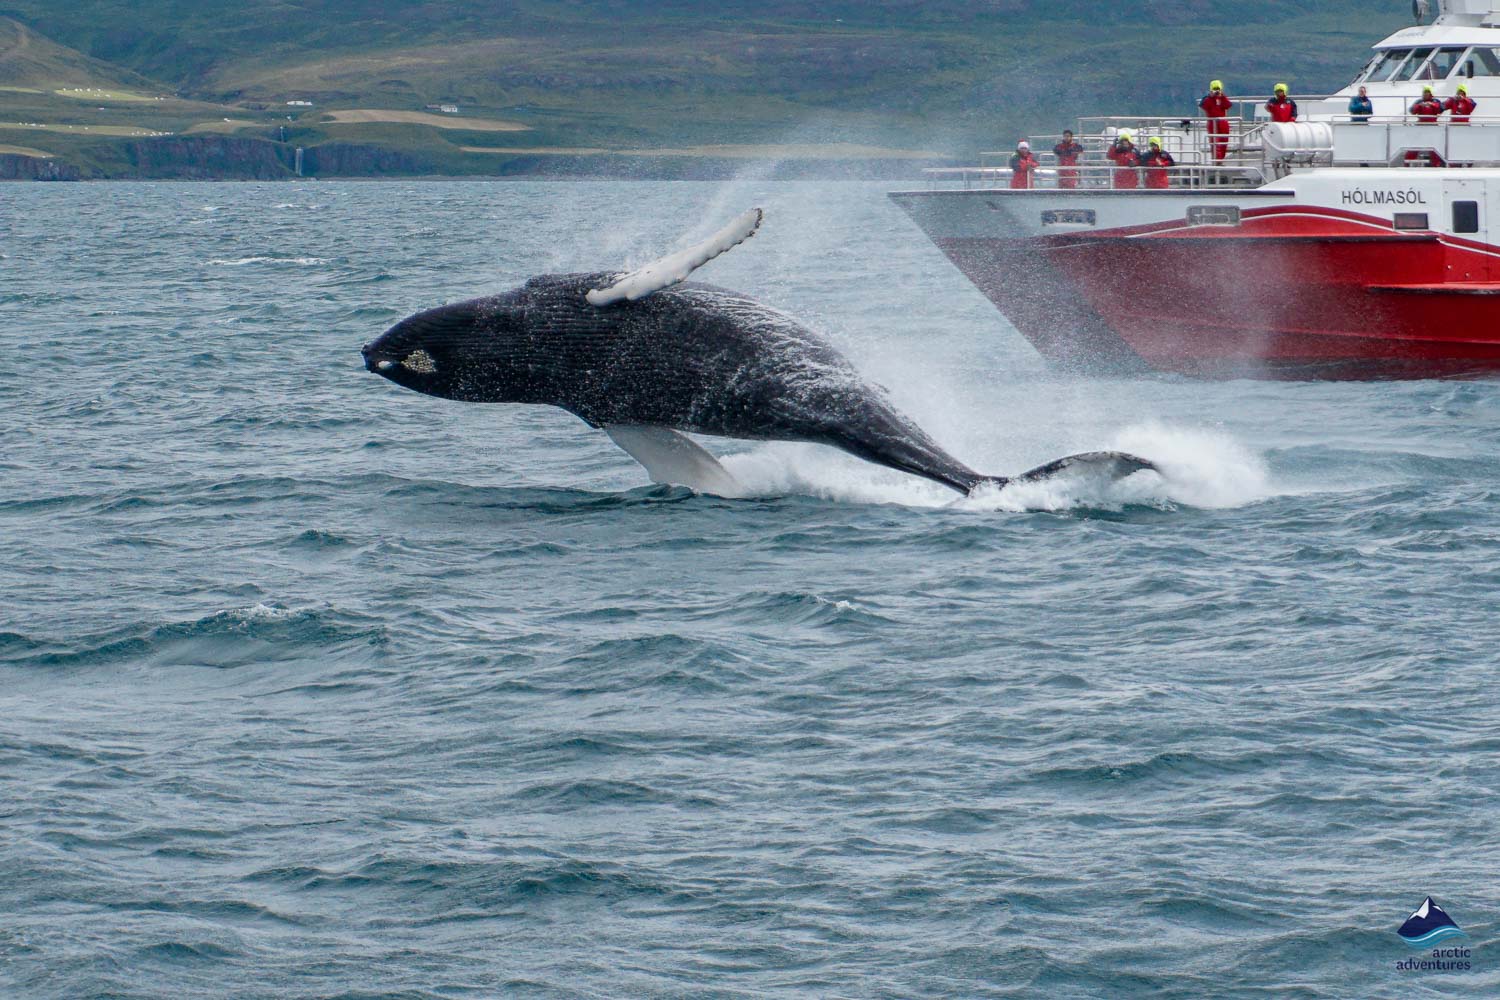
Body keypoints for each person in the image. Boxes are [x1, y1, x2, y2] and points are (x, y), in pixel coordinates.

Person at [1200, 79, 1232, 161]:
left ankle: (1221, 159)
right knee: (1215, 142)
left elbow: (1228, 105)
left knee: (1224, 142)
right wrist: (1211, 97)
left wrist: (1222, 96)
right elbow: (1204, 106)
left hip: (1223, 122)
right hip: (1212, 123)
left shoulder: (1222, 98)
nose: (1216, 91)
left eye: (1218, 89)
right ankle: (1217, 160)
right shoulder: (1207, 99)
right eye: (1215, 89)